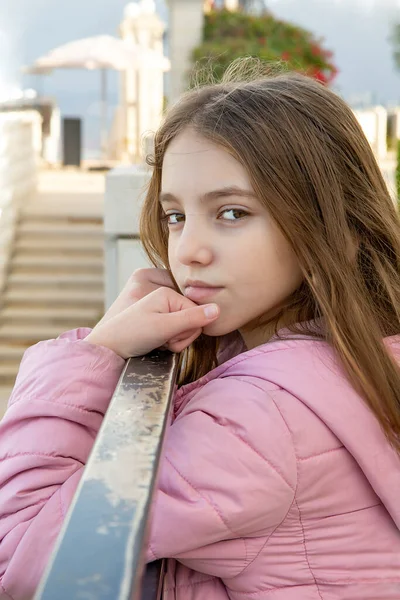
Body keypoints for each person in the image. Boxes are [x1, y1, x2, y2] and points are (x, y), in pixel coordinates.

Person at [1, 59, 400, 600]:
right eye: (175, 216)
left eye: (232, 213)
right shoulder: (358, 359)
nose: (188, 251)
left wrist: (97, 350)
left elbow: (20, 558)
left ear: (334, 225)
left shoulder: (260, 418)